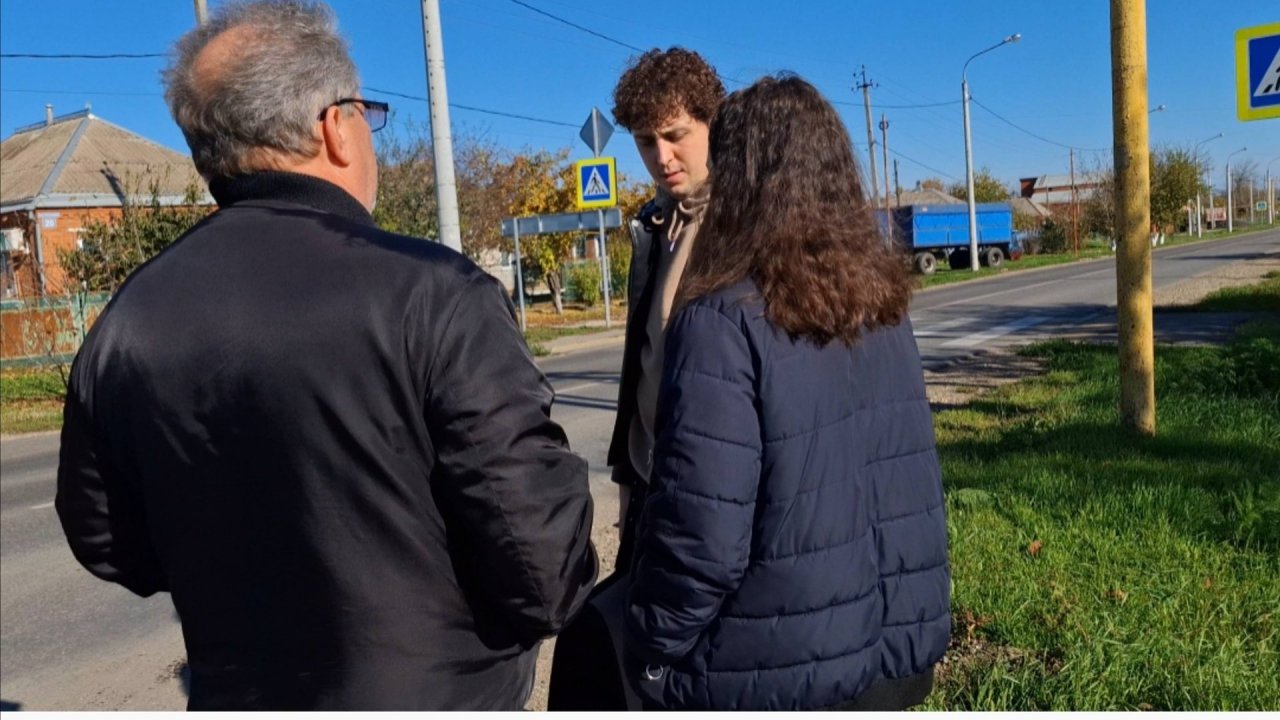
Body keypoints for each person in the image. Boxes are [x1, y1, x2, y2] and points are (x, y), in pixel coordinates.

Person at [55, 0, 596, 710]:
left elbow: (106, 540)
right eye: (367, 114)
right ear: (335, 127)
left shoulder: (127, 320)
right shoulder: (436, 295)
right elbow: (544, 571)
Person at [622, 74, 951, 711]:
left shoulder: (719, 321)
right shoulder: (884, 307)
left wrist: (649, 644)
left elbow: (704, 540)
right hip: (896, 654)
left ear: (738, 176)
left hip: (772, 673)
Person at [545, 47, 723, 711]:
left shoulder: (742, 225)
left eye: (676, 135)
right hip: (652, 481)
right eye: (647, 142)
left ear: (712, 124)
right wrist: (627, 472)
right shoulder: (655, 223)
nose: (662, 157)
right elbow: (640, 362)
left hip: (711, 479)